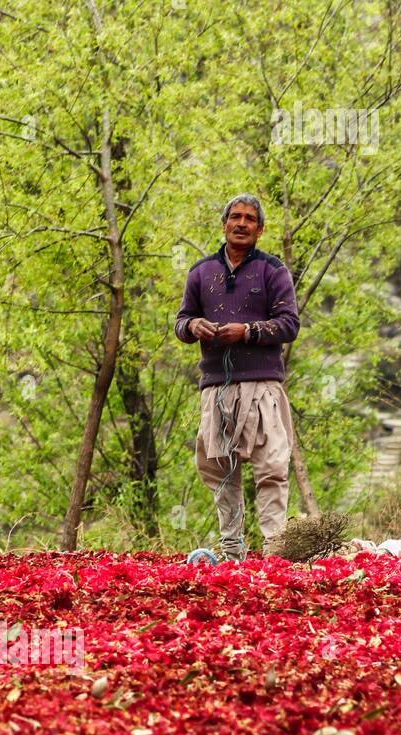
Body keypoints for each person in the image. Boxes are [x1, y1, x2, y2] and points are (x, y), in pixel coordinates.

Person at [175, 195, 300, 560]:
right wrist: (194, 325)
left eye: (249, 219)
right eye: (235, 217)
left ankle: (276, 552)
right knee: (221, 471)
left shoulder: (273, 271)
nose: (241, 223)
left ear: (259, 229)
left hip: (262, 386)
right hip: (217, 387)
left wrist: (247, 331)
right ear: (224, 224)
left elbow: (290, 324)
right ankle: (232, 551)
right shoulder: (200, 272)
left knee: (272, 466)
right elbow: (181, 321)